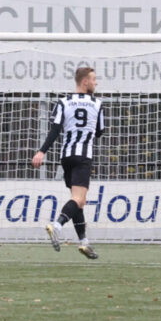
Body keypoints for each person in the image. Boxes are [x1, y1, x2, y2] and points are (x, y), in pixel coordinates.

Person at [32, 66, 105, 260]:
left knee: (78, 200)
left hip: (66, 157)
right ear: (85, 82)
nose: (96, 83)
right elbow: (99, 131)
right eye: (94, 79)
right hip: (83, 156)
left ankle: (84, 241)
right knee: (79, 199)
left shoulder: (63, 102)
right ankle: (57, 225)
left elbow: (55, 130)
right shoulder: (97, 104)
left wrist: (41, 151)